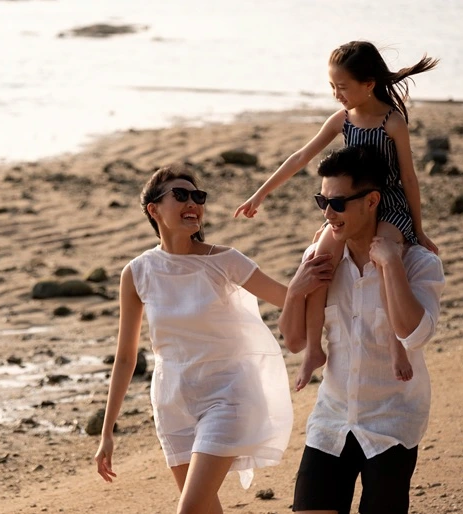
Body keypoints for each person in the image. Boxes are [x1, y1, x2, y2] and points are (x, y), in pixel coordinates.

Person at [94, 163, 333, 514]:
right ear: (154, 210)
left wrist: (305, 278)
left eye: (198, 196)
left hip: (228, 396)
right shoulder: (137, 272)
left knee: (189, 509)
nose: (193, 203)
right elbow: (127, 357)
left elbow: (288, 298)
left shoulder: (225, 260)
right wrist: (107, 433)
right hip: (172, 403)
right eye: (181, 195)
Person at [235, 40, 440, 391]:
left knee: (383, 258)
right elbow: (301, 157)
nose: (336, 94)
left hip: (390, 205)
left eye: (342, 87)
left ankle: (397, 347)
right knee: (320, 261)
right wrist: (260, 194)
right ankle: (314, 349)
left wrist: (418, 230)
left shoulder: (392, 122)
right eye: (332, 86)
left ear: (369, 84)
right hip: (349, 204)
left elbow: (408, 178)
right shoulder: (342, 120)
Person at [279, 146, 445, 514]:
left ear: (372, 201)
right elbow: (294, 341)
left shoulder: (420, 263)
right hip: (331, 421)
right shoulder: (320, 260)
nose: (327, 213)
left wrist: (391, 265)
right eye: (322, 201)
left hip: (392, 423)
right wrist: (294, 291)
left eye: (337, 203)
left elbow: (414, 334)